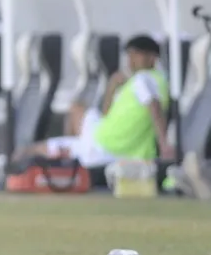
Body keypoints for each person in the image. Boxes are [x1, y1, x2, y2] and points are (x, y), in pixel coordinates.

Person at [15, 34, 171, 166]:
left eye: (136, 55)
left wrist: (164, 146)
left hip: (104, 147)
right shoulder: (146, 81)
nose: (130, 60)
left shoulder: (143, 80)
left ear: (152, 57)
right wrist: (112, 86)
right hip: (104, 136)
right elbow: (106, 113)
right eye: (129, 55)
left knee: (30, 150)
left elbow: (154, 107)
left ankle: (69, 157)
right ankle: (73, 146)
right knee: (77, 108)